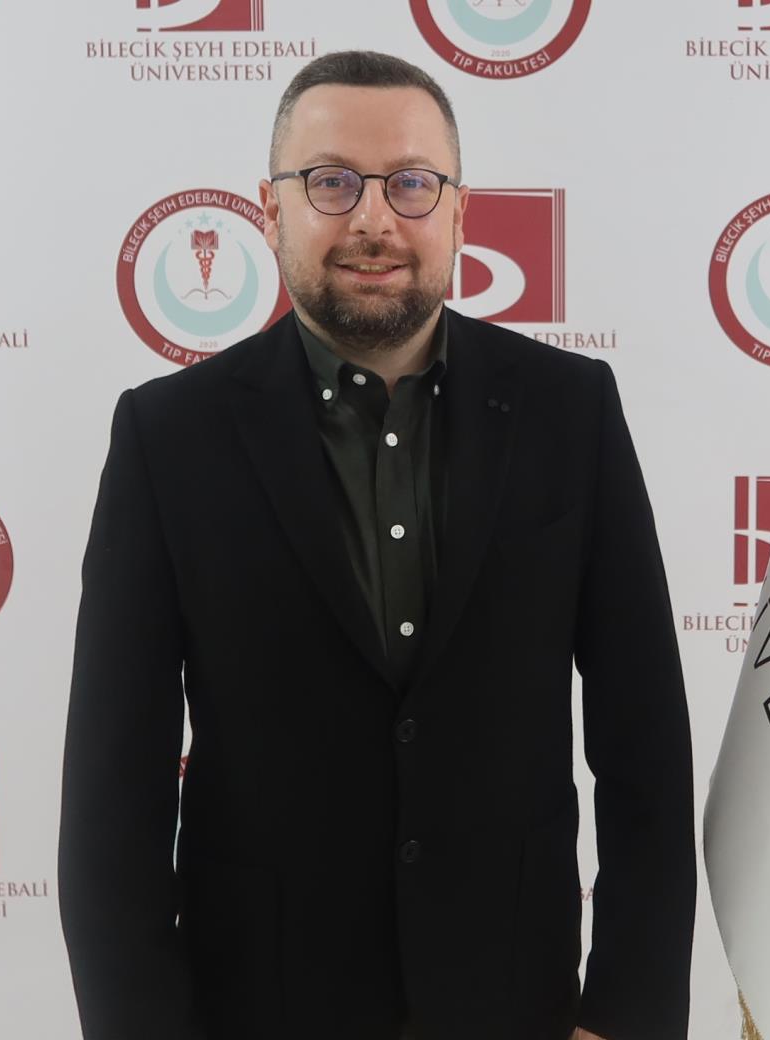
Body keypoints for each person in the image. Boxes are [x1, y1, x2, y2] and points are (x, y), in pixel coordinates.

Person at [57, 50, 695, 1040]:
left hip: (516, 1005)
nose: (373, 219)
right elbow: (113, 796)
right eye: (331, 182)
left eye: (409, 183)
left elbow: (644, 741)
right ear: (269, 210)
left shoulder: (571, 412)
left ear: (459, 212)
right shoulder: (166, 438)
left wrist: (627, 1015)